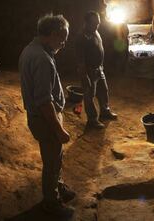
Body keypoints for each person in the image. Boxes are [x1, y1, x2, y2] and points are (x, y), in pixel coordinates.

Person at [19, 14, 75, 217]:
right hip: (45, 120)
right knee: (52, 163)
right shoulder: (42, 58)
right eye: (63, 38)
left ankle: (58, 188)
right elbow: (43, 101)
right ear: (52, 34)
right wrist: (59, 129)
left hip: (42, 118)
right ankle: (51, 203)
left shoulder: (32, 50)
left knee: (54, 158)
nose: (64, 43)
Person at [76, 11, 117, 129]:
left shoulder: (95, 32)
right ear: (86, 23)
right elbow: (80, 61)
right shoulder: (81, 38)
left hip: (99, 69)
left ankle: (104, 111)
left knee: (103, 91)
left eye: (98, 23)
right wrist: (85, 77)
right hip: (89, 71)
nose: (96, 26)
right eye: (94, 24)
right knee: (89, 95)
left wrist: (101, 67)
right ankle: (92, 120)